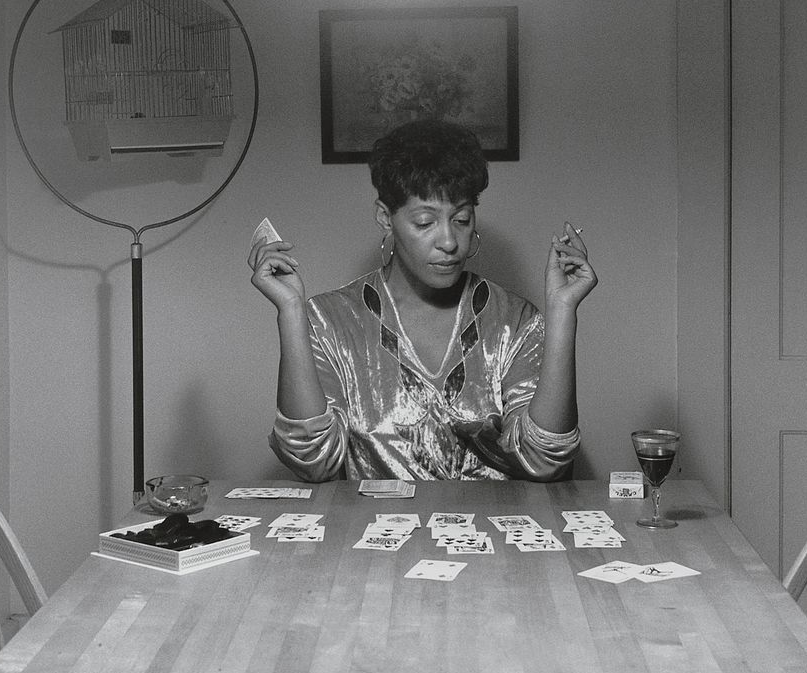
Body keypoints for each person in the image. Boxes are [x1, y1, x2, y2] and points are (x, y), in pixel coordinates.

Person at [249, 118, 597, 482]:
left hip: (490, 536)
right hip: (368, 535)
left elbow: (545, 463)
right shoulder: (329, 320)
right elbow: (313, 462)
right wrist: (290, 311)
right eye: (425, 222)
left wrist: (562, 311)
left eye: (461, 219)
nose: (449, 242)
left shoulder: (514, 321)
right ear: (386, 218)